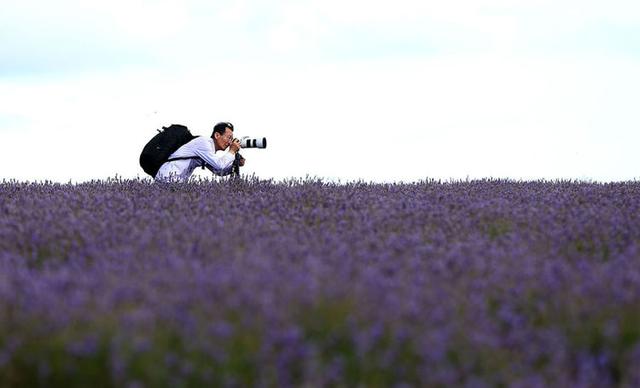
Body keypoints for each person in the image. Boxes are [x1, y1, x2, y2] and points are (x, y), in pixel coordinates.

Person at [155, 122, 245, 182]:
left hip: (175, 180)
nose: (230, 142)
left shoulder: (208, 150)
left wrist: (235, 165)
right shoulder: (204, 143)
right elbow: (219, 165)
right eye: (229, 138)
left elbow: (218, 171)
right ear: (217, 135)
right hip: (168, 178)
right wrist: (232, 151)